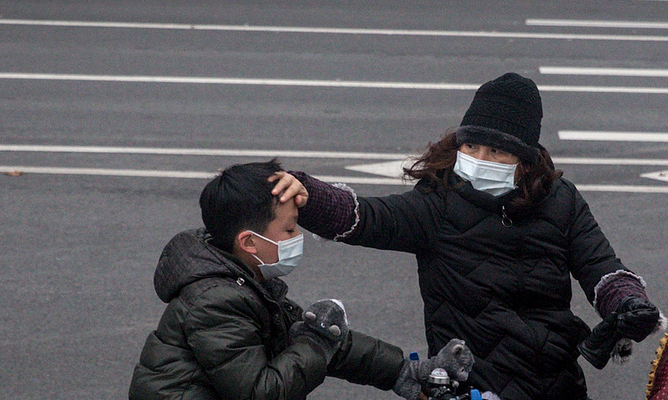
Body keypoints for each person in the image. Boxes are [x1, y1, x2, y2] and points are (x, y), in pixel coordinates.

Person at [280, 73, 666, 400]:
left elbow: (602, 267)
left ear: (525, 158)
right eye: (471, 145)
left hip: (555, 380)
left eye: (497, 150)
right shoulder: (435, 204)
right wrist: (308, 194)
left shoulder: (561, 201)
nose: (480, 158)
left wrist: (629, 302)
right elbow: (366, 216)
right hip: (469, 382)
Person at [129, 160, 474, 400]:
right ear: (249, 242)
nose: (299, 237)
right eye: (290, 228)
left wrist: (403, 371)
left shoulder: (240, 279)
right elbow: (262, 391)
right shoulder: (215, 301)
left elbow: (321, 341)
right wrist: (316, 344)